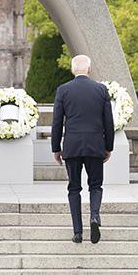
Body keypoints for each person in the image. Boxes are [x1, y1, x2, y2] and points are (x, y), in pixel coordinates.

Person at [51, 55, 114, 244]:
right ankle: (94, 216)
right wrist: (108, 147)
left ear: (73, 70)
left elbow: (57, 123)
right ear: (89, 69)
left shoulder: (63, 90)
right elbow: (108, 123)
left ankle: (77, 232)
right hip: (95, 145)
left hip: (72, 145)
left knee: (74, 188)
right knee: (95, 185)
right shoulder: (101, 90)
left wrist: (56, 148)